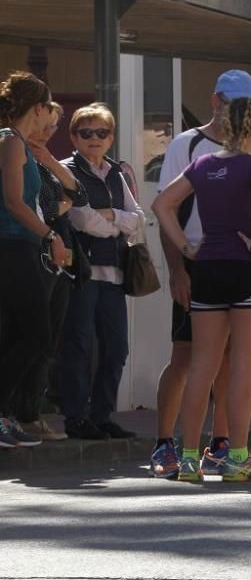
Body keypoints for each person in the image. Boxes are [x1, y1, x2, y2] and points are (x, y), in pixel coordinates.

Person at [154, 93, 251, 482]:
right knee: (243, 369)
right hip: (246, 273)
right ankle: (236, 457)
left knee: (201, 368)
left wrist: (187, 246)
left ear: (225, 128)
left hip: (206, 269)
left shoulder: (203, 163)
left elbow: (162, 205)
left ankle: (190, 459)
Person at [59, 103, 142, 441]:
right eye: (86, 132)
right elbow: (81, 219)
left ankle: (101, 415)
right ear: (74, 136)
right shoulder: (65, 169)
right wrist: (114, 221)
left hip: (115, 273)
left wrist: (111, 217)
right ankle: (76, 418)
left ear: (111, 137)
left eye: (102, 133)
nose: (94, 139)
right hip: (81, 271)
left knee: (116, 348)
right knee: (78, 346)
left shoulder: (117, 173)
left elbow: (138, 220)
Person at [0, 71, 66, 449]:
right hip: (11, 245)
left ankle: (5, 415)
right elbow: (13, 202)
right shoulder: (10, 142)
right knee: (36, 332)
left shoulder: (19, 143)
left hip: (22, 245)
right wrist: (52, 235)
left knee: (18, 333)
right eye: (47, 109)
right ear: (38, 107)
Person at [14, 101, 84, 441]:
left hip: (59, 257)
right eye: (47, 124)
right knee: (31, 335)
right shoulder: (16, 153)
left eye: (55, 127)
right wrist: (61, 206)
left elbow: (77, 194)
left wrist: (53, 161)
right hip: (35, 251)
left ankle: (30, 414)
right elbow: (45, 205)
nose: (49, 132)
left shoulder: (42, 160)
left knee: (48, 338)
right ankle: (19, 413)